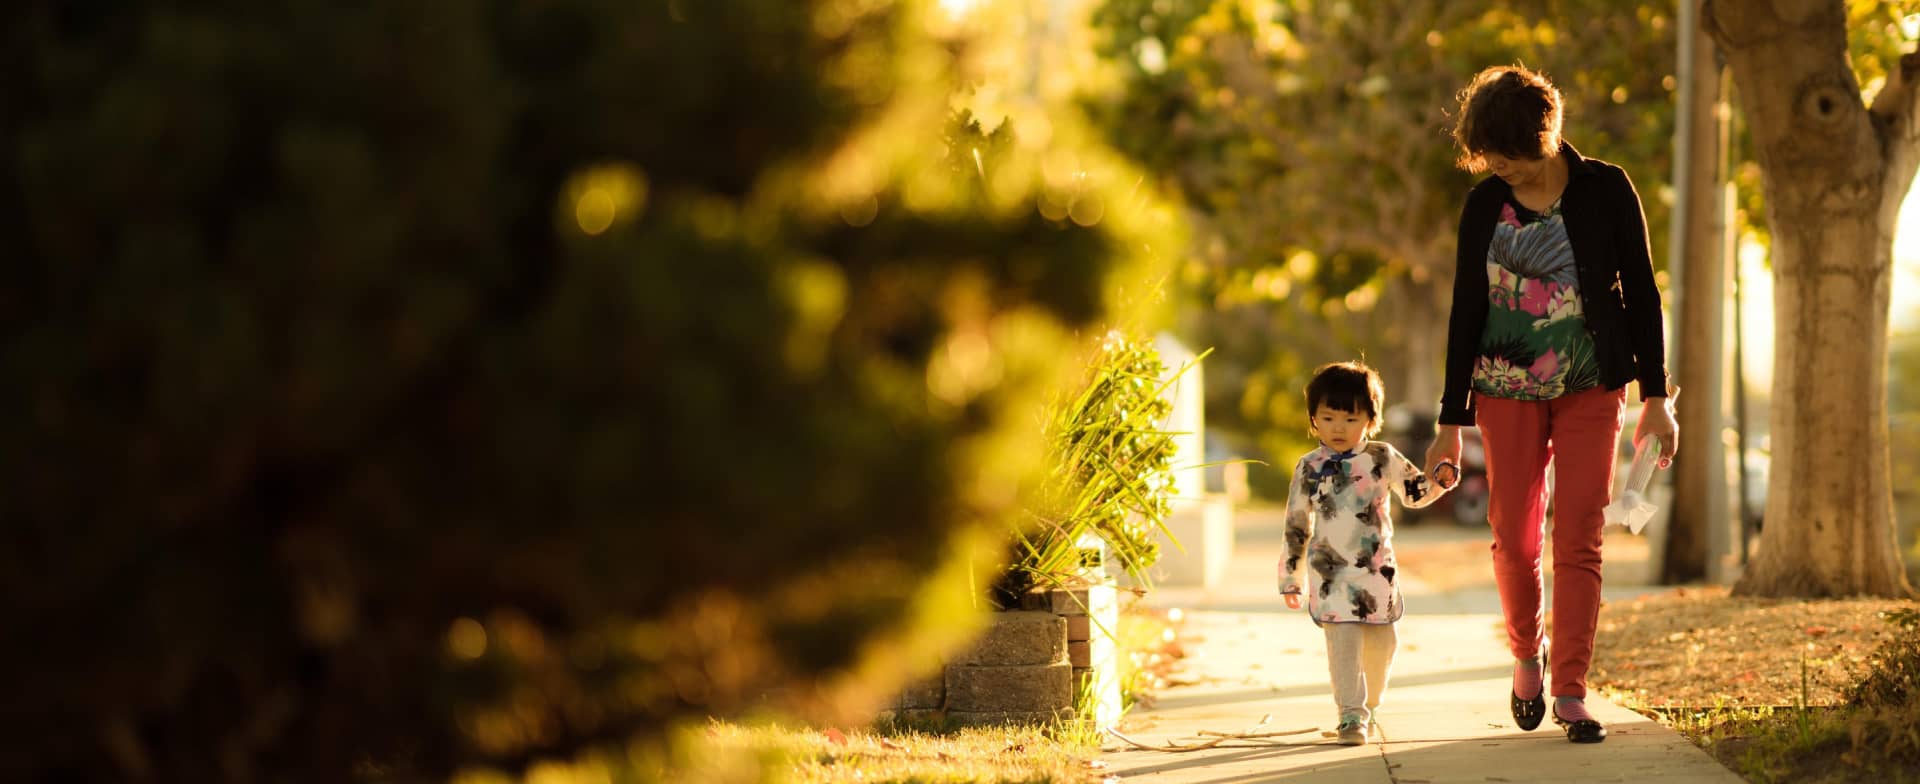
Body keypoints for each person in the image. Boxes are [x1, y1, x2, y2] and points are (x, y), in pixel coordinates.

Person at [1424, 65, 1680, 744]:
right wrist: (1450, 421)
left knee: (1580, 535)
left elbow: (1643, 296)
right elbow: (1465, 310)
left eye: (1504, 157)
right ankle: (1525, 652)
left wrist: (1656, 397)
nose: (1495, 168)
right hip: (1502, 391)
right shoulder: (1484, 206)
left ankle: (1571, 688)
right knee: (1514, 536)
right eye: (1488, 158)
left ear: (1542, 139)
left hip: (1593, 386)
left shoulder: (1606, 189)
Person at [1278, 361, 1456, 746]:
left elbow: (1414, 494)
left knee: (1382, 644)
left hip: (1376, 573)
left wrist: (1440, 483)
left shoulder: (1382, 457)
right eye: (1327, 417)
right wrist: (1290, 577)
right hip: (1330, 576)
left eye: (1349, 418)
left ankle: (1371, 702)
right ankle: (1350, 715)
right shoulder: (1308, 467)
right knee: (1342, 646)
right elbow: (1296, 524)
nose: (1338, 428)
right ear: (1313, 420)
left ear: (1370, 420)